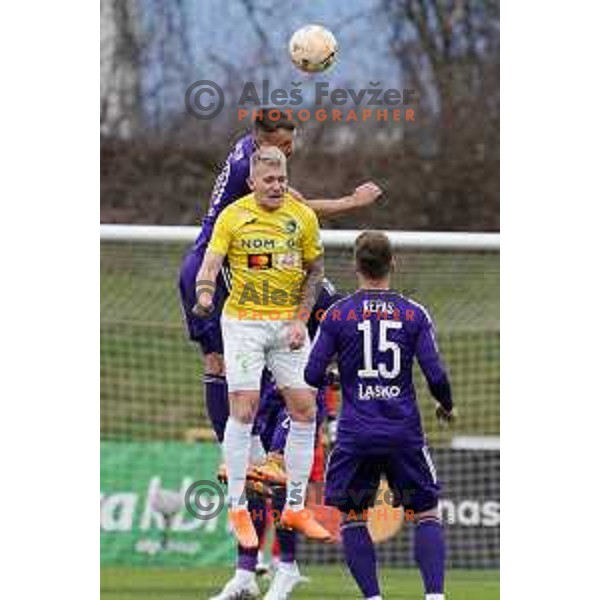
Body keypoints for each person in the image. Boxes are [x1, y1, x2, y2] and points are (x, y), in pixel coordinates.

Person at [179, 111, 381, 449]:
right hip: (215, 267)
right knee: (220, 363)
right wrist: (354, 201)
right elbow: (303, 209)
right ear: (263, 142)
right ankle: (241, 451)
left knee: (321, 304)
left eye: (292, 142)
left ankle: (306, 387)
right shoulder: (249, 169)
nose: (291, 150)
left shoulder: (249, 148)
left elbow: (293, 204)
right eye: (284, 144)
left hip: (237, 261)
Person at [195, 146, 333, 551]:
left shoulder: (302, 216)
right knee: (245, 407)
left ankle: (294, 507)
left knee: (307, 410)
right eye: (269, 180)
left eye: (282, 180)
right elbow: (209, 264)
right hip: (244, 324)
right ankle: (237, 507)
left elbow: (315, 271)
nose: (277, 186)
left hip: (287, 324)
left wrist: (301, 317)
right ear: (252, 181)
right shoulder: (233, 216)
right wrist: (204, 294)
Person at [305, 231, 456, 600]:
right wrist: (445, 404)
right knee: (425, 512)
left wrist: (339, 377)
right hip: (402, 432)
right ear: (393, 263)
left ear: (356, 265)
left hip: (355, 435)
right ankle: (434, 597)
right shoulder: (413, 313)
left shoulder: (338, 314)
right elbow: (435, 374)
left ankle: (373, 598)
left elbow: (311, 374)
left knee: (354, 518)